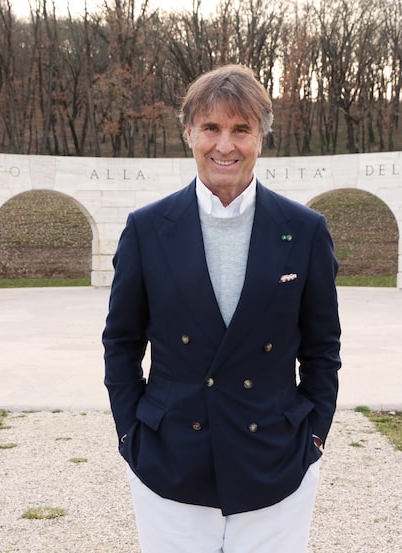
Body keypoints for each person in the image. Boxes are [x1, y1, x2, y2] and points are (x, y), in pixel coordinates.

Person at [102, 64, 341, 553]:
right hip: (170, 460)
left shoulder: (306, 229)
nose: (224, 145)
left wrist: (313, 437)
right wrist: (131, 435)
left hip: (274, 456)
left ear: (261, 138)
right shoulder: (147, 229)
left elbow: (322, 347)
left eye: (241, 129)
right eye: (211, 128)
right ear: (189, 132)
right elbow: (121, 342)